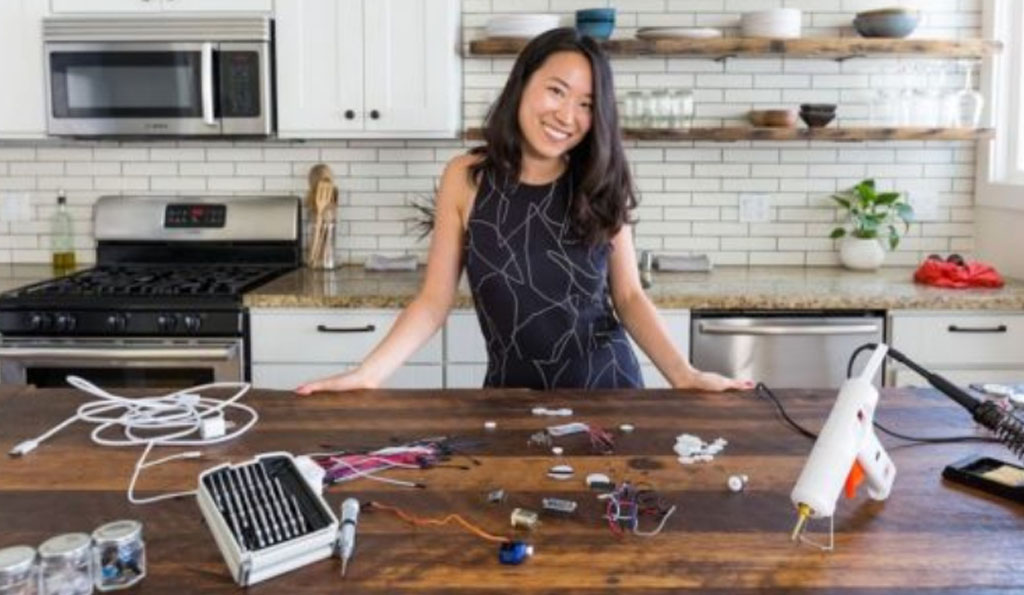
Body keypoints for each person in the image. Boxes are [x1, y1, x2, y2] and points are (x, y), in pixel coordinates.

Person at [296, 28, 752, 394]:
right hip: (509, 397)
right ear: (522, 84)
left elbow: (629, 298)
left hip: (606, 393)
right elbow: (433, 302)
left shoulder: (599, 177)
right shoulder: (466, 177)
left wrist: (685, 375)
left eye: (587, 105)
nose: (567, 115)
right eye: (556, 91)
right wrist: (369, 373)